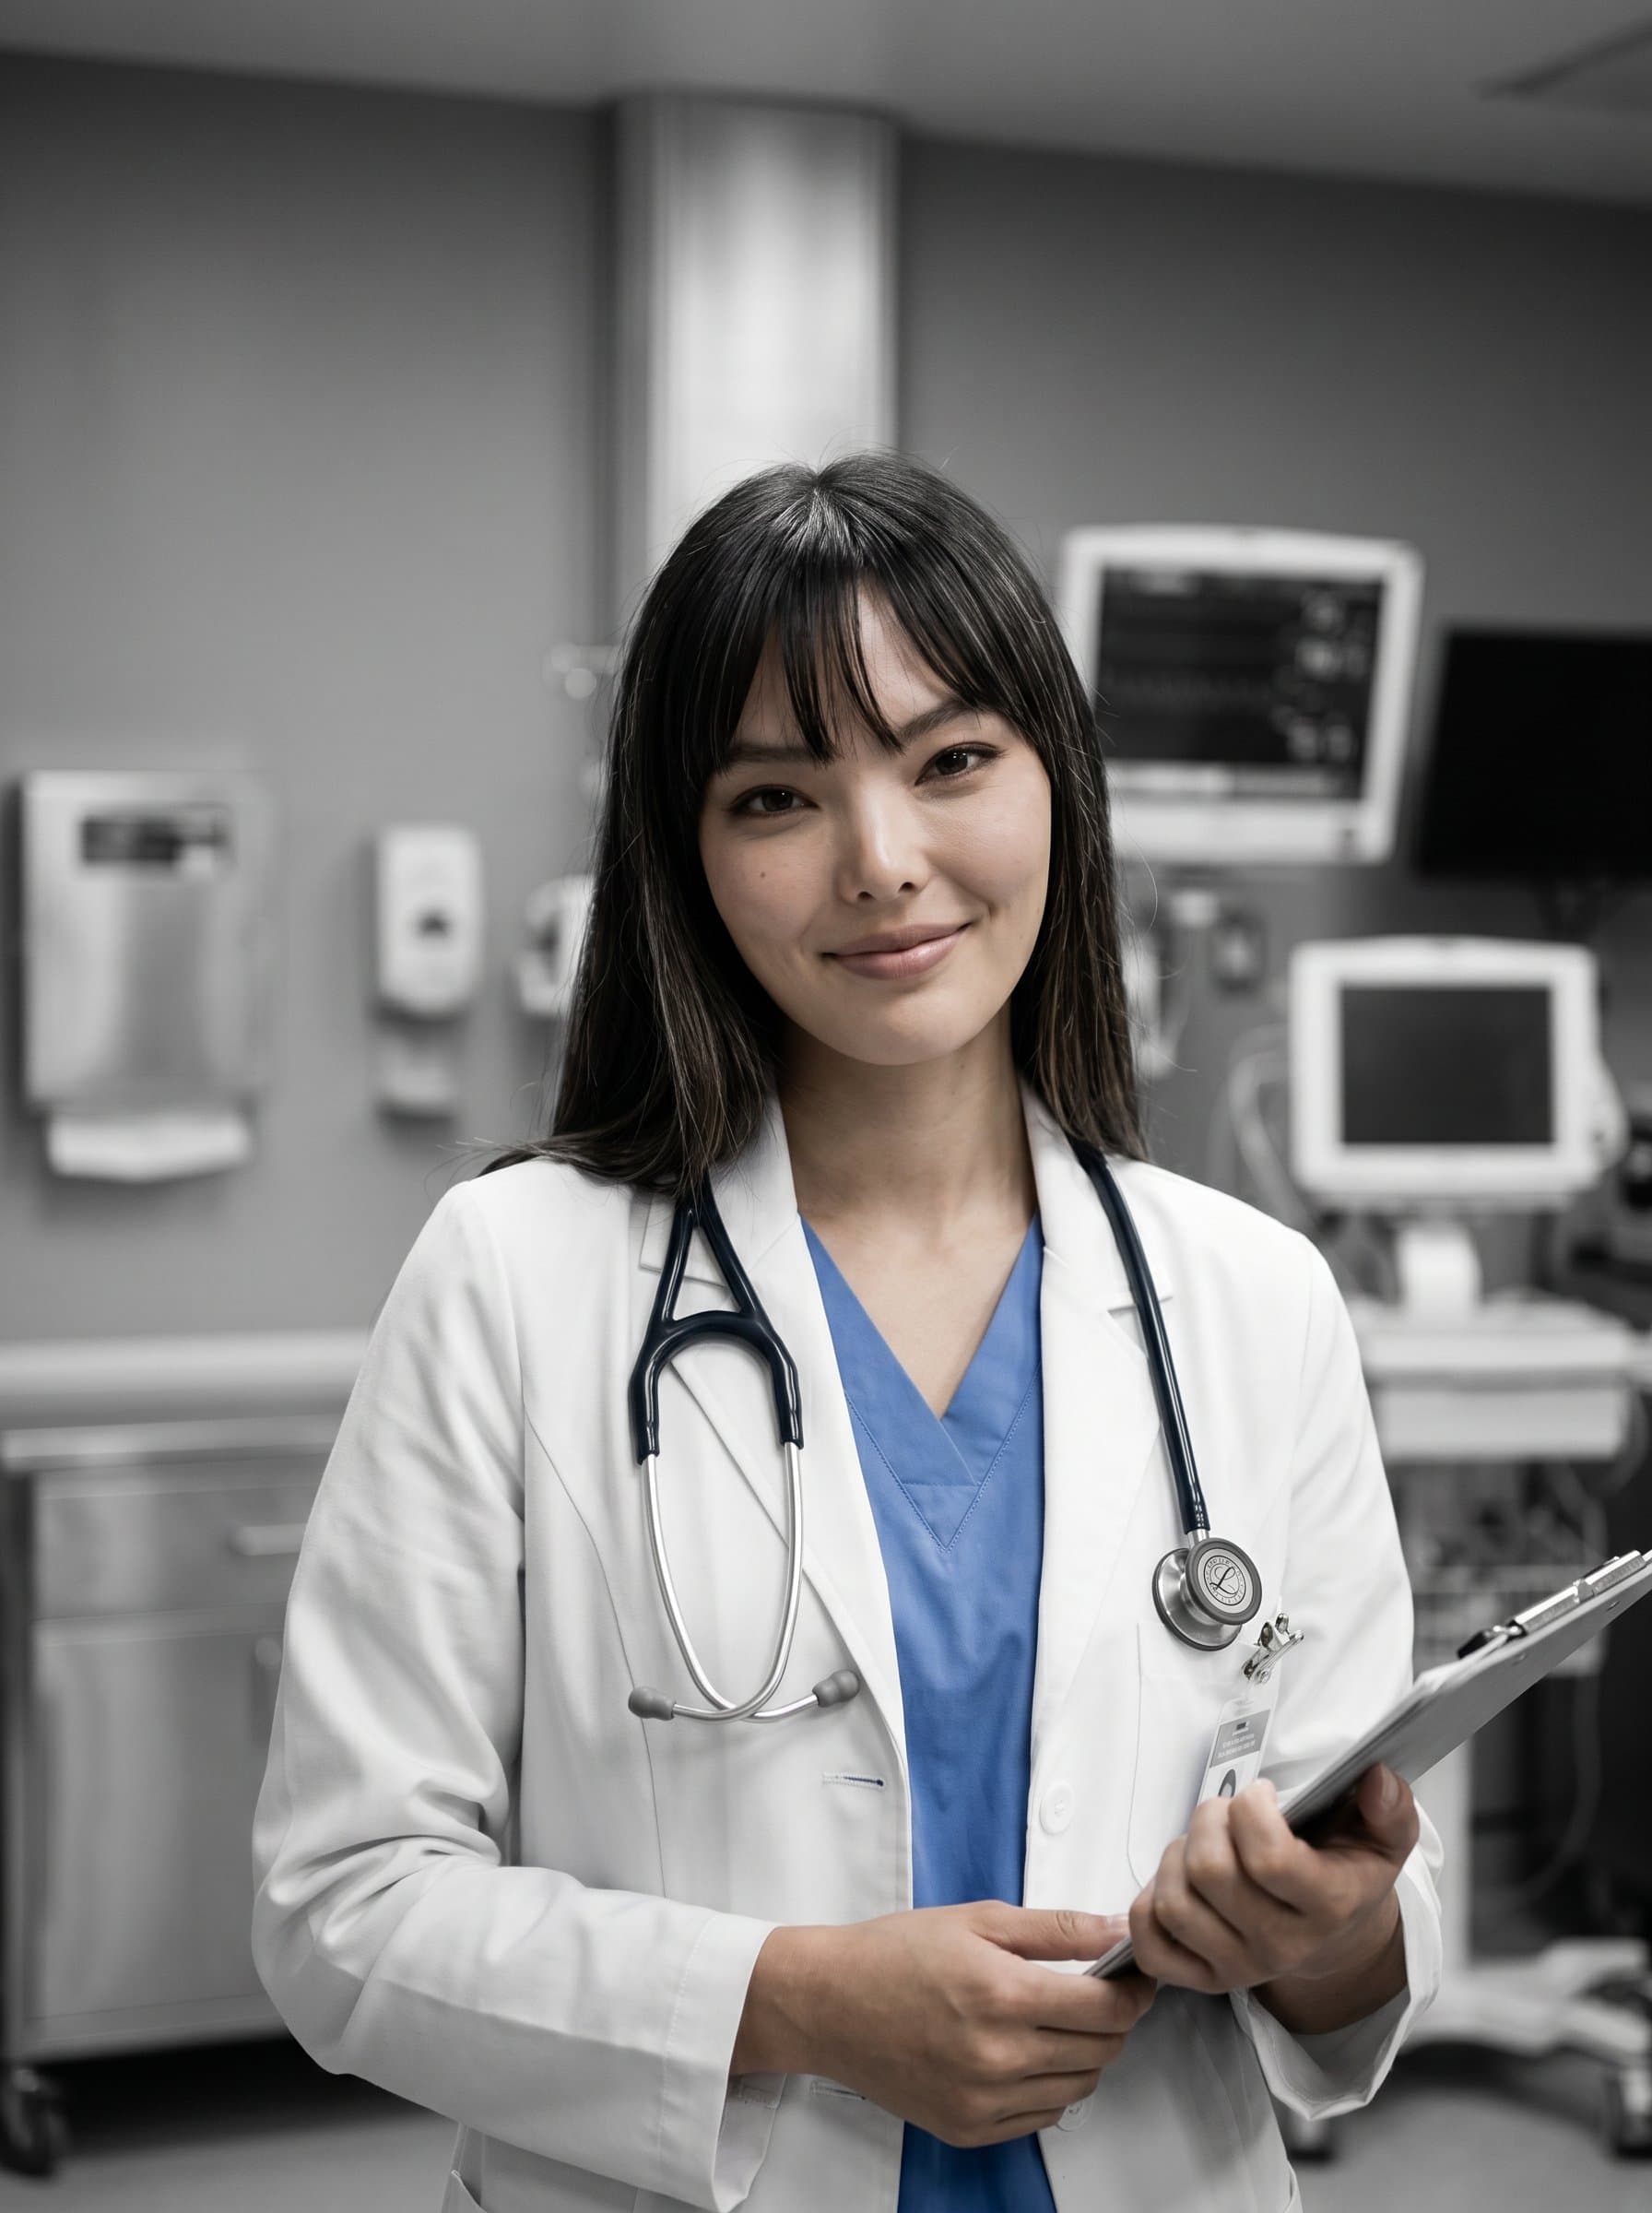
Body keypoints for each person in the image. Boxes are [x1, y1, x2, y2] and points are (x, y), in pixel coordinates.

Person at [252, 452, 1443, 2213]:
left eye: (952, 761)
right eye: (776, 798)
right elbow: (342, 1905)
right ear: (689, 856)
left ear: (1059, 787)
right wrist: (791, 2000)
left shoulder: (1253, 1304)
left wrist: (1323, 1931)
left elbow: (1371, 1935)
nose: (884, 865)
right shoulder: (513, 1276)